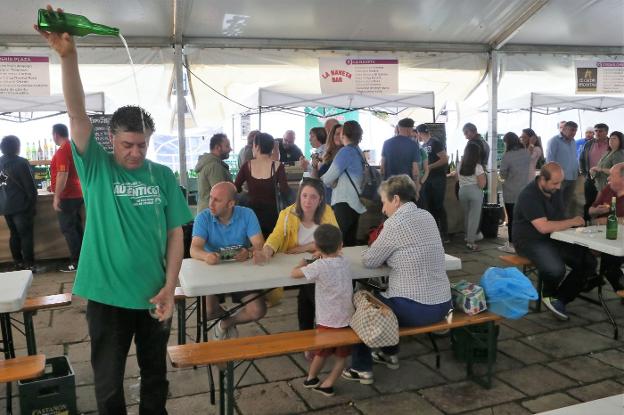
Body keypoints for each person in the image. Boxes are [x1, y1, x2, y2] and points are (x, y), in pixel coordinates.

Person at [36, 12, 194, 414]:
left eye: (142, 144)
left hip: (153, 295)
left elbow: (176, 233)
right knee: (108, 385)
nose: (135, 152)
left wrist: (171, 285)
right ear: (113, 140)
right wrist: (68, 58)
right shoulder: (96, 166)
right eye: (128, 144)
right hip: (106, 297)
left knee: (155, 378)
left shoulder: (161, 176)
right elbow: (77, 115)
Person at [342, 175, 452, 385]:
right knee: (386, 296)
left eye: (384, 202)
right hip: (443, 304)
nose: (383, 209)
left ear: (396, 200)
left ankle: (361, 367)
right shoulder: (427, 216)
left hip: (416, 310)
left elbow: (370, 260)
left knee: (361, 304)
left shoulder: (395, 223)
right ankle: (388, 354)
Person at [513, 162, 596, 321]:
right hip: (529, 241)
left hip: (553, 236)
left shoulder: (553, 190)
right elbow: (543, 227)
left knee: (588, 261)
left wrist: (575, 233)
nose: (559, 187)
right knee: (556, 269)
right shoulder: (529, 195)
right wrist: (572, 222)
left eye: (560, 182)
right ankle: (549, 294)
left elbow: (558, 218)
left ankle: (559, 299)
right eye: (555, 183)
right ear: (542, 179)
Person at [190, 182, 266, 340]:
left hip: (241, 271)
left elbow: (259, 244)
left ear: (231, 203)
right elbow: (194, 249)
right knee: (207, 312)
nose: (210, 203)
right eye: (210, 198)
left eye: (217, 200)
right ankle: (225, 318)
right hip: (213, 271)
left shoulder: (247, 214)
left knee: (258, 310)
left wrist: (249, 252)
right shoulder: (203, 217)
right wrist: (206, 256)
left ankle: (225, 323)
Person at [261, 178, 338, 333]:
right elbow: (276, 236)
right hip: (298, 264)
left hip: (318, 263)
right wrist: (267, 250)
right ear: (299, 196)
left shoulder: (327, 211)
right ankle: (319, 331)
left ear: (320, 199)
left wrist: (305, 247)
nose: (307, 201)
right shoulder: (287, 214)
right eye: (304, 196)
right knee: (308, 292)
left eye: (313, 197)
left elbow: (335, 238)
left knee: (308, 292)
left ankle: (316, 332)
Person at [291, 224, 354, 397]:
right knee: (342, 356)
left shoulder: (318, 267)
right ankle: (328, 383)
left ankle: (311, 378)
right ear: (341, 245)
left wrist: (302, 262)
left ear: (316, 247)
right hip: (347, 320)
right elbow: (335, 259)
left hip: (327, 321)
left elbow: (294, 274)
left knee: (321, 352)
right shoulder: (345, 262)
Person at [235, 132, 290, 237]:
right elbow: (285, 191)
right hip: (272, 214)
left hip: (251, 215)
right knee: (271, 245)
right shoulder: (278, 166)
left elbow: (235, 188)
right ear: (271, 148)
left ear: (256, 146)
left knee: (254, 246)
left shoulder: (247, 166)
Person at [321, 120, 366, 246]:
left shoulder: (345, 152)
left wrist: (331, 182)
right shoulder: (358, 151)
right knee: (350, 240)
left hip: (344, 202)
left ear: (343, 135)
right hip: (356, 202)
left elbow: (328, 178)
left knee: (339, 241)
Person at [0, 135, 37, 271]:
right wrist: (32, 205)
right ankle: (29, 264)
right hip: (21, 206)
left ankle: (18, 263)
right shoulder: (21, 162)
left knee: (14, 234)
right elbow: (30, 187)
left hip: (5, 206)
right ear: (16, 147)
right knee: (26, 235)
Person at [50, 123, 83, 272]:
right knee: (76, 227)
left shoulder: (62, 151)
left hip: (67, 195)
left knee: (68, 229)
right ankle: (83, 259)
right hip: (78, 193)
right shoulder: (74, 148)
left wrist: (57, 197)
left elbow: (62, 174)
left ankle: (76, 262)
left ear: (56, 135)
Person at [588, 162, 624, 298]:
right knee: (580, 252)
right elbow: (590, 210)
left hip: (619, 240)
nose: (608, 179)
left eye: (611, 176)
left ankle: (620, 288)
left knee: (610, 262)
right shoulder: (608, 189)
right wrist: (596, 210)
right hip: (599, 236)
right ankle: (591, 277)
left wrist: (610, 220)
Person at [498, 132, 530, 254]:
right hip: (524, 190)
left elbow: (502, 174)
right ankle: (523, 243)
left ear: (508, 142)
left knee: (512, 219)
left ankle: (512, 244)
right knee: (522, 219)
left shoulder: (508, 156)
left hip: (511, 191)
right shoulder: (526, 152)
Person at [416, 123, 448, 241]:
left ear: (419, 133)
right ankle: (435, 234)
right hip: (427, 180)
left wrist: (429, 167)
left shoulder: (435, 142)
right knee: (429, 206)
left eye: (417, 134)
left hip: (438, 179)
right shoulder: (423, 145)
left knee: (438, 206)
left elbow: (444, 159)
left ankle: (444, 235)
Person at [546, 121, 579, 218]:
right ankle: (554, 225)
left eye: (575, 131)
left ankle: (564, 225)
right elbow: (550, 161)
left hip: (572, 177)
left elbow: (574, 158)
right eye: (572, 130)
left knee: (567, 204)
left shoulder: (573, 141)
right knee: (557, 203)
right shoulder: (554, 141)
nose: (574, 133)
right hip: (560, 179)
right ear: (564, 129)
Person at [457, 143, 486, 251]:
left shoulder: (459, 164)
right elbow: (482, 185)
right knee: (474, 217)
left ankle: (467, 236)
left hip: (462, 191)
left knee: (467, 215)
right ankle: (471, 242)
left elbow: (457, 179)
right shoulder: (478, 167)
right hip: (475, 192)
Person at [195, 133, 233, 214]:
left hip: (208, 213)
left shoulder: (211, 164)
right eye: (227, 146)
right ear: (218, 148)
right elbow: (221, 195)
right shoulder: (215, 167)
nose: (230, 149)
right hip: (213, 216)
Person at [580, 123, 610, 221]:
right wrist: (585, 174)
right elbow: (581, 159)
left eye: (600, 131)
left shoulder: (612, 143)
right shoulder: (588, 144)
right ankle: (586, 223)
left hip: (606, 180)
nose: (597, 133)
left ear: (606, 132)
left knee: (604, 203)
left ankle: (601, 223)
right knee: (588, 202)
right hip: (591, 179)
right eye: (596, 131)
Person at [315, 123, 342, 200]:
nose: (339, 136)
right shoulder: (328, 153)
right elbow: (318, 176)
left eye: (341, 134)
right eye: (337, 134)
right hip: (327, 195)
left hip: (338, 196)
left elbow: (327, 179)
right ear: (332, 136)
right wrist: (315, 166)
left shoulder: (346, 153)